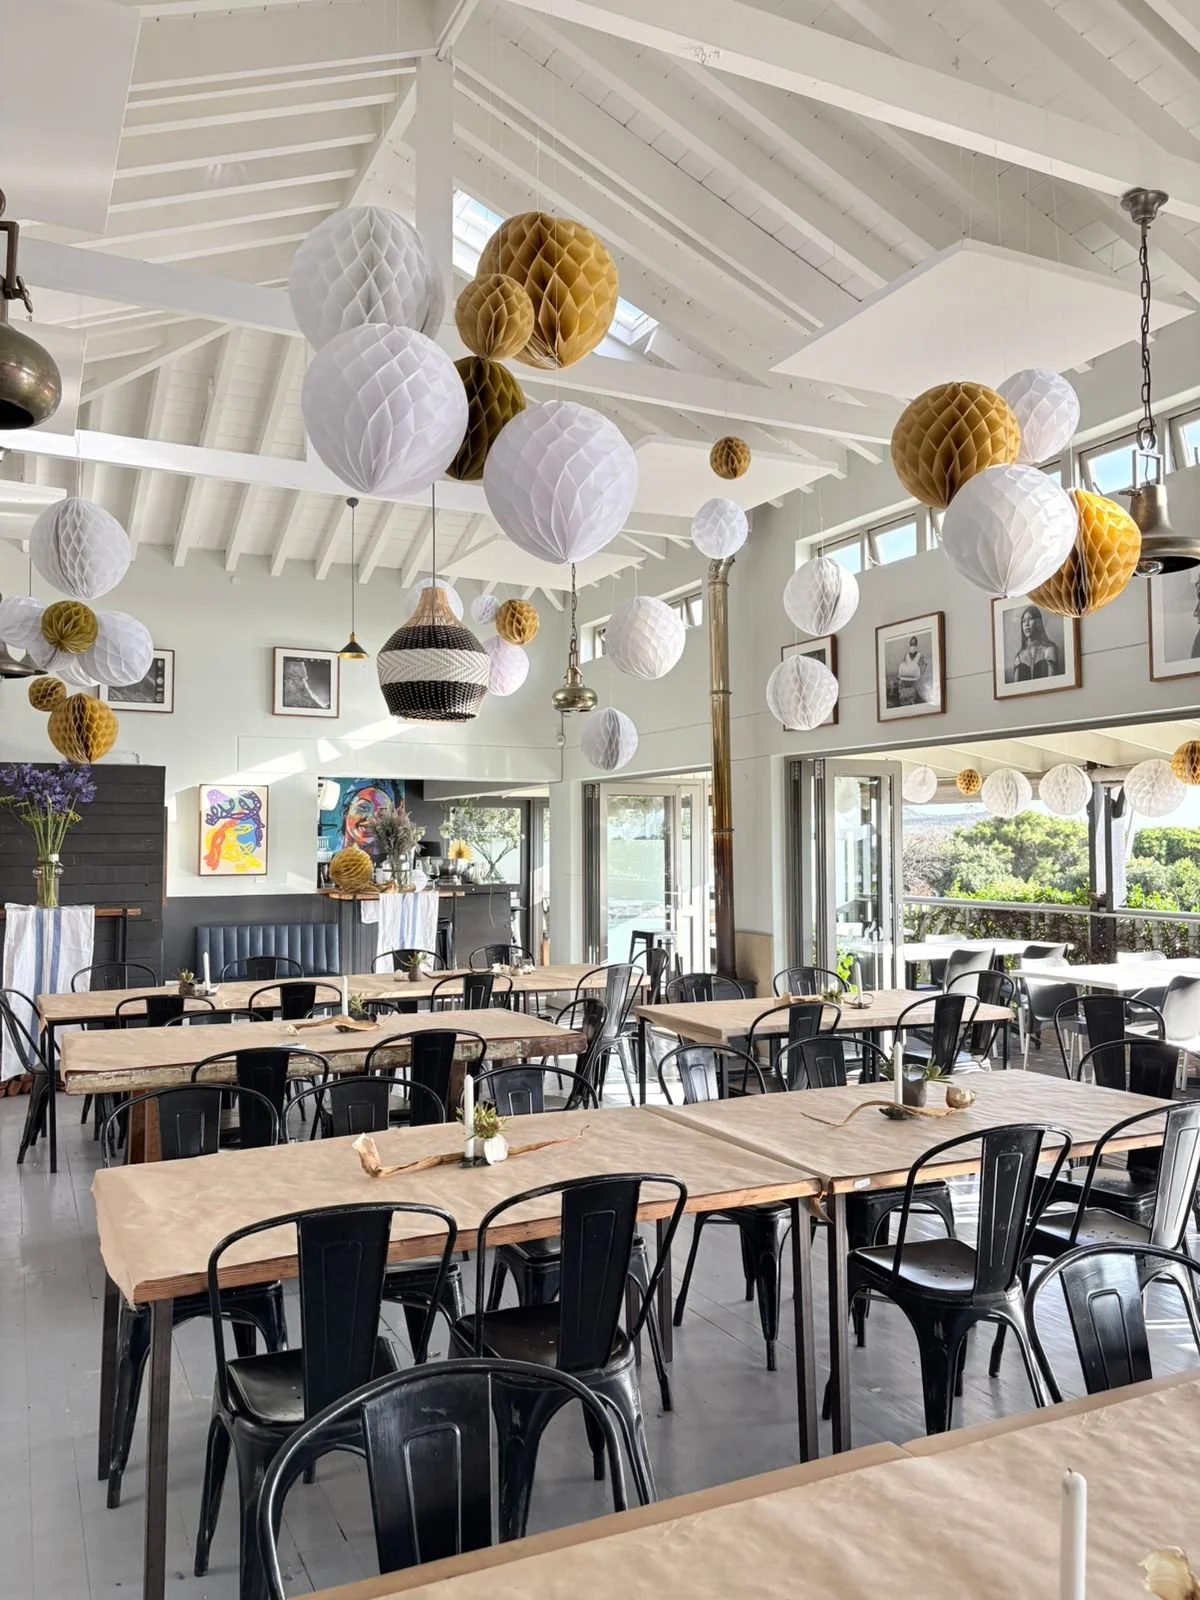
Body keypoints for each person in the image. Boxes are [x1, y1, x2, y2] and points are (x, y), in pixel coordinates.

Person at [1009, 606, 1060, 680]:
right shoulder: (1019, 657)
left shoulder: (1049, 651)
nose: (1026, 624)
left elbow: (1053, 683)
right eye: (1023, 621)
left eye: (1030, 619)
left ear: (1039, 622)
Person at [894, 635, 927, 705]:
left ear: (916, 645)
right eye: (911, 644)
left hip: (915, 679)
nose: (913, 646)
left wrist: (919, 673)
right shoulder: (906, 655)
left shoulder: (920, 655)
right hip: (906, 679)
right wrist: (899, 676)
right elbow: (902, 667)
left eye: (914, 644)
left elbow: (923, 668)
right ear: (909, 645)